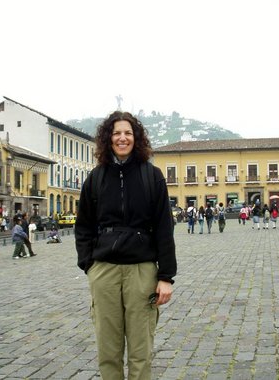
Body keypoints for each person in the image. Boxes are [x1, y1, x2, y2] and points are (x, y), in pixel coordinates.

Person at [75, 111, 177, 380]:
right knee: (107, 351)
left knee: (140, 351)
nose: (122, 138)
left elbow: (165, 227)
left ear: (136, 138)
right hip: (104, 271)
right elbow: (83, 225)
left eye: (128, 133)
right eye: (117, 133)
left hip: (142, 271)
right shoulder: (95, 178)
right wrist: (89, 264)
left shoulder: (152, 176)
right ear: (108, 138)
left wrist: (165, 276)